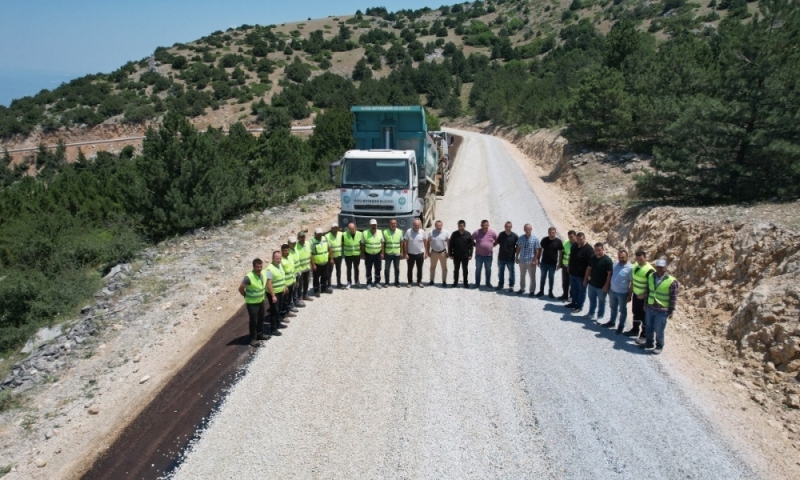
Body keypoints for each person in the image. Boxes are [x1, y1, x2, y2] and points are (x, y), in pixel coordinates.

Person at [638, 258, 679, 354]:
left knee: (659, 329)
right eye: (658, 267)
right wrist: (645, 304)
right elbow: (648, 291)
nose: (659, 269)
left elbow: (673, 297)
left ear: (665, 267)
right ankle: (649, 343)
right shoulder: (651, 276)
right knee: (648, 326)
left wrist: (671, 311)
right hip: (650, 307)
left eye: (661, 267)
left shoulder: (671, 281)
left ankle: (659, 346)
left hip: (662, 309)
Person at [238, 258, 270, 347]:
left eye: (260, 266)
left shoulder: (263, 273)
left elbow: (268, 278)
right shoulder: (249, 277)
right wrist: (245, 295)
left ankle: (260, 334)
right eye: (257, 267)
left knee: (261, 319)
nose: (259, 268)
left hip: (260, 301)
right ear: (253, 267)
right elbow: (241, 288)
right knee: (253, 321)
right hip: (252, 304)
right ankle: (252, 339)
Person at [627, 250, 655, 339]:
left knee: (644, 316)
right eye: (638, 259)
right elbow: (633, 281)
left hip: (644, 298)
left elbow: (652, 286)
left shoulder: (650, 270)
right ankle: (635, 330)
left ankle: (644, 335)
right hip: (636, 294)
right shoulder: (636, 265)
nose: (639, 261)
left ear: (645, 258)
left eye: (641, 259)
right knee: (636, 313)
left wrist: (644, 294)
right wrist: (630, 294)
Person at [584, 242, 613, 321]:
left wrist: (606, 285)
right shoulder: (592, 258)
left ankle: (600, 316)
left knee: (601, 301)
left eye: (599, 250)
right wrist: (585, 279)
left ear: (603, 249)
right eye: (596, 250)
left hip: (601, 287)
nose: (597, 252)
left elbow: (609, 274)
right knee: (592, 299)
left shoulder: (607, 260)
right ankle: (591, 313)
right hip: (592, 284)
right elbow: (589, 269)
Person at [566, 232, 594, 313]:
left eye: (580, 239)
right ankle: (573, 303)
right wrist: (569, 266)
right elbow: (571, 257)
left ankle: (579, 306)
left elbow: (590, 265)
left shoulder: (588, 249)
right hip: (573, 273)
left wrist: (587, 277)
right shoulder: (574, 245)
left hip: (582, 276)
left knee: (581, 291)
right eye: (577, 239)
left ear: (584, 238)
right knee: (574, 290)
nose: (579, 241)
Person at [606, 249, 632, 332]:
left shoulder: (630, 268)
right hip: (612, 291)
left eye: (623, 257)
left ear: (627, 257)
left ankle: (621, 326)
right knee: (613, 307)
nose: (621, 259)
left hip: (622, 293)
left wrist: (629, 295)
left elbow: (632, 283)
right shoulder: (616, 263)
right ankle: (612, 322)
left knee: (622, 311)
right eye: (620, 257)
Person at [515, 223, 541, 296]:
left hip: (531, 261)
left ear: (531, 229)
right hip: (522, 260)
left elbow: (537, 250)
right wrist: (516, 257)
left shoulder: (535, 239)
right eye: (526, 229)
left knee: (532, 277)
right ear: (524, 230)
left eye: (529, 229)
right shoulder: (521, 238)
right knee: (522, 275)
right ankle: (522, 288)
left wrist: (535, 260)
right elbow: (518, 248)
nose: (527, 230)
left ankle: (532, 291)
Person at [265, 251, 286, 337]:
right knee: (274, 310)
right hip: (274, 293)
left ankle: (278, 323)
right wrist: (273, 295)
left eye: (280, 258)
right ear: (273, 258)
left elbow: (282, 276)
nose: (279, 260)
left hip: (280, 291)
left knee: (279, 308)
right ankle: (273, 329)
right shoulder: (269, 269)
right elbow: (268, 283)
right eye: (277, 258)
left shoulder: (279, 265)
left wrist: (284, 286)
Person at [537, 227, 563, 298]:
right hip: (544, 262)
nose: (552, 234)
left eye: (553, 232)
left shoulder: (558, 241)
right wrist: (538, 259)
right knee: (543, 277)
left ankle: (550, 292)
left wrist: (559, 263)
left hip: (553, 263)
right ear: (548, 233)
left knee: (551, 278)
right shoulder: (544, 240)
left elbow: (561, 253)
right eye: (551, 232)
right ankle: (541, 291)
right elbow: (540, 250)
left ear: (555, 232)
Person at [448, 220, 473, 288]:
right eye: (459, 226)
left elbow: (471, 246)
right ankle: (455, 282)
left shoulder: (468, 234)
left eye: (462, 226)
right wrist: (450, 254)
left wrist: (470, 254)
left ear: (464, 226)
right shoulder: (454, 234)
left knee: (465, 269)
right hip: (456, 256)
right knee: (456, 270)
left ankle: (465, 283)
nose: (460, 227)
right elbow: (451, 245)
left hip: (465, 256)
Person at [472, 220, 498, 288]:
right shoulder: (477, 232)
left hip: (488, 256)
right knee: (478, 269)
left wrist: (493, 245)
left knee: (488, 269)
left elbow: (497, 240)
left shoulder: (492, 232)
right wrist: (475, 245)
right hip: (479, 255)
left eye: (486, 225)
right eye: (483, 225)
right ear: (481, 225)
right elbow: (470, 239)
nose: (484, 227)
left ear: (488, 225)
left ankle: (488, 283)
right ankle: (477, 283)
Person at [495, 221, 519, 292]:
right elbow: (497, 242)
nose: (508, 228)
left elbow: (518, 246)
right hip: (501, 257)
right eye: (506, 227)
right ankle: (500, 284)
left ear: (511, 227)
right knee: (500, 272)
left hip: (510, 258)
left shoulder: (515, 236)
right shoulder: (501, 234)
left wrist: (516, 256)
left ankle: (511, 286)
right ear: (504, 227)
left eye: (509, 227)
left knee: (511, 272)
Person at [403, 218, 427, 287]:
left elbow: (425, 242)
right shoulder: (408, 232)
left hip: (420, 254)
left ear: (420, 225)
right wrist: (405, 253)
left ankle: (419, 281)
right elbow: (405, 243)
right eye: (416, 225)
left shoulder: (422, 232)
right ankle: (409, 282)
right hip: (410, 254)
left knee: (420, 268)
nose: (417, 226)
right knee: (410, 268)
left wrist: (426, 252)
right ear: (413, 225)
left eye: (418, 225)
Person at [311, 227, 334, 296]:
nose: (319, 235)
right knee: (316, 277)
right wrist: (313, 264)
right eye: (318, 234)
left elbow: (330, 249)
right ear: (315, 234)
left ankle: (324, 288)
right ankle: (316, 290)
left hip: (325, 262)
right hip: (317, 263)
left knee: (325, 276)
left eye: (320, 234)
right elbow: (310, 254)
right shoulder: (312, 242)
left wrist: (331, 259)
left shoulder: (325, 239)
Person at [427, 220, 450, 286]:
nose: (439, 227)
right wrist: (428, 252)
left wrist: (449, 252)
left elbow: (449, 242)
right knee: (432, 267)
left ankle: (444, 281)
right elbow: (428, 242)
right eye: (437, 226)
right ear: (435, 226)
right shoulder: (431, 232)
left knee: (444, 268)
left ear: (442, 225)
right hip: (434, 252)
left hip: (443, 252)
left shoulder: (446, 233)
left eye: (440, 225)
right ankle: (431, 280)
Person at [363, 219, 384, 290]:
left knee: (378, 269)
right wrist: (362, 254)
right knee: (368, 269)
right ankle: (369, 283)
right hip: (368, 254)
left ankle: (377, 282)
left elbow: (382, 243)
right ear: (370, 225)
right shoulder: (365, 233)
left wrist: (382, 253)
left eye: (374, 225)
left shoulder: (380, 232)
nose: (373, 226)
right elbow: (362, 244)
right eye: (372, 225)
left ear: (377, 225)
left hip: (378, 254)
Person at [280, 244, 299, 319]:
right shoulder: (281, 261)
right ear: (282, 251)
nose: (287, 252)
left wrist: (294, 280)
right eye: (285, 250)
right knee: (284, 300)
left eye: (288, 250)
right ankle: (283, 315)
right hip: (286, 285)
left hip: (291, 282)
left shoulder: (290, 258)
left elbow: (292, 270)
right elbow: (281, 274)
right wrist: (284, 285)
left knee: (289, 299)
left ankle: (288, 311)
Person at [294, 231, 313, 303]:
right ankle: (299, 297)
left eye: (303, 237)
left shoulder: (308, 243)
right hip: (300, 269)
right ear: (298, 238)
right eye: (301, 237)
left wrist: (312, 264)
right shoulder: (295, 246)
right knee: (300, 284)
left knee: (306, 282)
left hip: (307, 267)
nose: (302, 238)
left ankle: (305, 294)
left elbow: (310, 254)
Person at [383, 219, 403, 287]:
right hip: (388, 253)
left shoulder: (400, 232)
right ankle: (386, 282)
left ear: (396, 224)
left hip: (396, 253)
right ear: (389, 224)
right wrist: (382, 253)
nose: (393, 225)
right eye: (392, 223)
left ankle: (397, 282)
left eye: (394, 223)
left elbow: (401, 242)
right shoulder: (385, 232)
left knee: (397, 269)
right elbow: (383, 243)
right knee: (387, 269)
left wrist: (401, 252)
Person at [342, 222, 363, 289]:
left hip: (357, 254)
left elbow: (361, 244)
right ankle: (349, 282)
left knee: (356, 268)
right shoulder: (344, 234)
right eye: (350, 228)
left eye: (353, 228)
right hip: (348, 255)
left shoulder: (360, 234)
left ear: (355, 228)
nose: (352, 230)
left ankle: (357, 281)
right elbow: (342, 244)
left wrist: (362, 253)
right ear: (348, 228)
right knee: (349, 269)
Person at [559, 230, 577, 301]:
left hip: (573, 267)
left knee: (572, 282)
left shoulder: (577, 245)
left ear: (575, 236)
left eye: (572, 236)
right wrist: (560, 263)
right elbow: (562, 253)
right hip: (565, 265)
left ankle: (571, 296)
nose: (570, 238)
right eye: (569, 237)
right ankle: (565, 295)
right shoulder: (566, 242)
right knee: (565, 281)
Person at [326, 223, 344, 288]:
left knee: (338, 270)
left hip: (339, 255)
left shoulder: (341, 234)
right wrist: (331, 259)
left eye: (336, 228)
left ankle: (339, 283)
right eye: (334, 228)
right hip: (331, 257)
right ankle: (329, 284)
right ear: (331, 228)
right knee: (330, 271)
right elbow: (328, 248)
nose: (335, 229)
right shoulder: (327, 236)